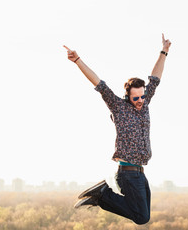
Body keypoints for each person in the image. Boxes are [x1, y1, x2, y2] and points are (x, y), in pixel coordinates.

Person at [63, 34, 171, 225]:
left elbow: (155, 78)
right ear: (128, 96)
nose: (140, 101)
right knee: (142, 217)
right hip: (128, 173)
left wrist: (164, 51)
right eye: (135, 98)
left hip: (140, 171)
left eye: (142, 97)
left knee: (143, 214)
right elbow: (99, 84)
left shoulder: (144, 104)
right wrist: (77, 60)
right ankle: (102, 196)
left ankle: (103, 195)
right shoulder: (119, 107)